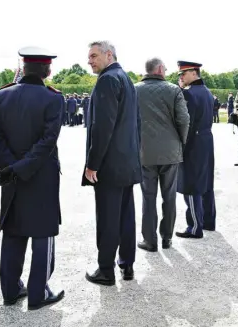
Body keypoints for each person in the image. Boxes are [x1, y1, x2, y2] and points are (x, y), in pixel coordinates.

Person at [0, 47, 65, 310]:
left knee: (13, 231)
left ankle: (10, 291)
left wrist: (10, 166)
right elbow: (47, 142)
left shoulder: (1, 95)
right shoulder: (53, 98)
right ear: (47, 71)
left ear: (23, 68)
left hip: (11, 176)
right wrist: (22, 167)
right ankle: (37, 293)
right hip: (40, 173)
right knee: (42, 233)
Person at [82, 41, 141, 286]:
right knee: (125, 217)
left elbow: (102, 127)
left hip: (110, 164)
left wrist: (93, 164)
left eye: (94, 56)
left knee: (108, 218)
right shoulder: (125, 78)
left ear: (109, 55)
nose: (90, 61)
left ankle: (105, 269)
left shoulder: (107, 80)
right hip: (126, 162)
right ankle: (127, 265)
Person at [135, 57, 190, 252]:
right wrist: (181, 142)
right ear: (159, 69)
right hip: (170, 151)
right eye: (165, 68)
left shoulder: (134, 90)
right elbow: (184, 119)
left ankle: (150, 240)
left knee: (148, 197)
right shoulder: (174, 90)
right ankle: (167, 238)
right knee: (169, 196)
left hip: (144, 152)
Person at [175, 61, 216, 238]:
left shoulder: (189, 93)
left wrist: (181, 147)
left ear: (194, 73)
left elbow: (187, 125)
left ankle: (194, 227)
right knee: (206, 182)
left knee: (191, 184)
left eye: (183, 73)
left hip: (194, 142)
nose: (181, 77)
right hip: (206, 139)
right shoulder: (206, 91)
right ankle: (208, 221)